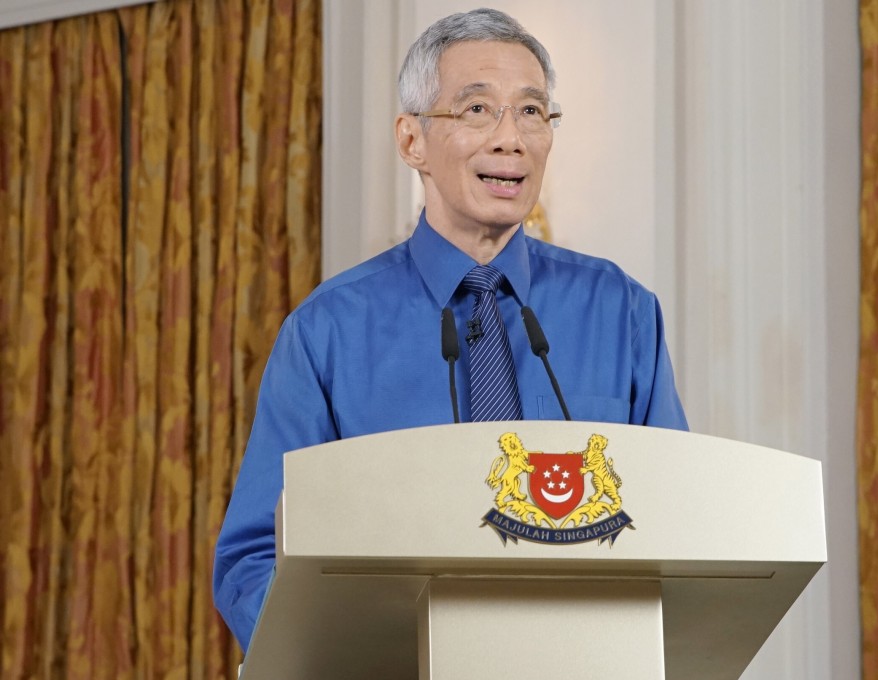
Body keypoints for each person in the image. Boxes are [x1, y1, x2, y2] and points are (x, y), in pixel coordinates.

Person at [213, 7, 688, 651]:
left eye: (531, 112)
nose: (510, 138)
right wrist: (352, 655)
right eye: (476, 111)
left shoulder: (622, 311)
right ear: (412, 142)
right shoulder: (326, 332)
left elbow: (685, 523)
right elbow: (253, 558)